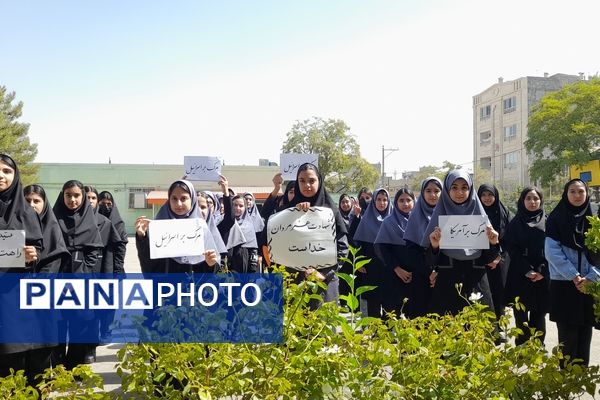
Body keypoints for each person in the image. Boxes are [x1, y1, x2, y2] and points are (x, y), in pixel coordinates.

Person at [421, 170, 500, 316]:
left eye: (464, 187)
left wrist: (493, 243)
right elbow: (430, 261)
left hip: (477, 284)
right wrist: (434, 246)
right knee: (449, 333)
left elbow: (489, 259)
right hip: (447, 285)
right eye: (454, 187)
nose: (460, 192)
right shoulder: (440, 217)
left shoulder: (479, 216)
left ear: (470, 190)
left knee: (479, 332)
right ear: (447, 190)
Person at [0, 155, 46, 384]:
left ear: (15, 176)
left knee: (12, 363)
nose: (1, 175)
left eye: (7, 171)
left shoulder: (26, 213)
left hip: (13, 298)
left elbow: (36, 252)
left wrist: (31, 257)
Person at [545, 178, 600, 366]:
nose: (577, 195)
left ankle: (582, 373)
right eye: (572, 191)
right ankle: (566, 375)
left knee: (586, 330)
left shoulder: (595, 219)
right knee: (567, 333)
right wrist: (574, 276)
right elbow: (552, 252)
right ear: (565, 194)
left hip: (590, 284)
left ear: (587, 194)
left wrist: (592, 277)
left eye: (581, 191)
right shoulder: (556, 218)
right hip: (564, 283)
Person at [53, 179, 104, 368]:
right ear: (62, 195)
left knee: (79, 325)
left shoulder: (89, 221)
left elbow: (94, 251)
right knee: (58, 324)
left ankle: (73, 366)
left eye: (76, 195)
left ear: (82, 197)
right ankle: (57, 366)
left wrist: (83, 271)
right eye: (68, 195)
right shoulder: (53, 218)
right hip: (57, 280)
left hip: (81, 282)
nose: (72, 199)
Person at [288, 163, 349, 304]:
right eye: (302, 181)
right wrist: (295, 215)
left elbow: (342, 248)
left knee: (323, 324)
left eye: (311, 181)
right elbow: (280, 244)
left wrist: (324, 273)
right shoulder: (289, 212)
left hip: (324, 283)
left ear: (319, 181)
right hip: (295, 283)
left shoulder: (331, 212)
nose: (307, 185)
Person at [135, 179, 220, 274]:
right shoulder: (159, 227)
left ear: (192, 200)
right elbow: (148, 264)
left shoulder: (201, 229)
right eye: (174, 198)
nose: (178, 204)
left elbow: (211, 269)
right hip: (165, 286)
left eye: (183, 198)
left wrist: (211, 263)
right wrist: (142, 237)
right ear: (169, 200)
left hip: (192, 286)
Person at [504, 187, 549, 345]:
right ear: (522, 201)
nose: (532, 202)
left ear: (541, 201)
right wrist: (527, 270)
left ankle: (537, 349)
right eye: (528, 198)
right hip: (520, 275)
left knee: (539, 315)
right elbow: (512, 249)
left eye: (536, 198)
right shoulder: (515, 223)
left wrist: (542, 271)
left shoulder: (548, 221)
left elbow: (552, 248)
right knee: (521, 315)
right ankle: (522, 349)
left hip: (542, 276)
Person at [403, 177, 442, 317]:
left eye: (437, 191)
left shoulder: (449, 215)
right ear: (422, 193)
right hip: (421, 278)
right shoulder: (415, 216)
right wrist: (429, 272)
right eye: (428, 191)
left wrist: (438, 271)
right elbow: (411, 252)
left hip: (444, 277)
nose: (433, 195)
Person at [374, 188, 415, 318]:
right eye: (401, 200)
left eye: (409, 200)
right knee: (392, 314)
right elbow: (382, 249)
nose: (405, 204)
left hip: (416, 277)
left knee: (414, 315)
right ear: (395, 203)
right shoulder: (388, 222)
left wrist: (418, 271)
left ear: (414, 202)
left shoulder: (420, 222)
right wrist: (397, 268)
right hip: (393, 276)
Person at [352, 188, 392, 317]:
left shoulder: (393, 220)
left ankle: (387, 335)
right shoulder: (366, 220)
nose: (382, 203)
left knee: (389, 304)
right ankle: (374, 333)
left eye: (385, 200)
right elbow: (357, 243)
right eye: (379, 199)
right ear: (373, 201)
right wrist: (359, 262)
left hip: (390, 268)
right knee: (372, 303)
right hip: (371, 267)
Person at [477, 184, 511, 339]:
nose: (487, 198)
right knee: (483, 295)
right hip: (479, 261)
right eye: (483, 195)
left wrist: (498, 257)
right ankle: (485, 328)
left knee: (499, 294)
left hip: (500, 262)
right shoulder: (474, 213)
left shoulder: (504, 214)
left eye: (490, 195)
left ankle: (500, 327)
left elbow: (510, 240)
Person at [23, 184, 71, 273]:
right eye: (27, 200)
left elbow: (53, 262)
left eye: (36, 201)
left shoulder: (52, 229)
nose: (31, 205)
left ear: (44, 204)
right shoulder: (13, 226)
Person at [217, 176, 259, 273]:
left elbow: (253, 249)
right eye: (235, 205)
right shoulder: (224, 221)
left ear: (245, 208)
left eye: (241, 206)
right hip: (227, 262)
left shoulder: (249, 224)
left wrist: (253, 268)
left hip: (244, 263)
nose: (238, 208)